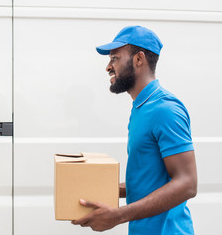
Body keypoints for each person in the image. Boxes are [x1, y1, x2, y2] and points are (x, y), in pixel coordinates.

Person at [71, 26, 197, 234]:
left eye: (115, 58)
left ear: (139, 59)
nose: (108, 67)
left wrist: (118, 215)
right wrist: (91, 189)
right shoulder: (142, 107)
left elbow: (187, 184)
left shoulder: (165, 109)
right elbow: (149, 180)